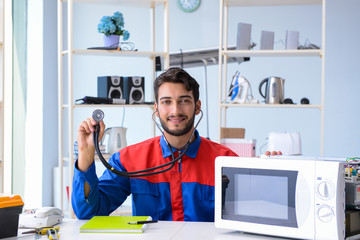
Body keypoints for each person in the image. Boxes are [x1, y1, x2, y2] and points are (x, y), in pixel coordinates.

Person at [72, 67, 238, 222]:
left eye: (184, 101)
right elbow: (89, 213)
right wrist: (85, 154)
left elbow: (249, 219)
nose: (175, 111)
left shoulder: (227, 161)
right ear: (156, 109)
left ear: (197, 107)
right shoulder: (129, 160)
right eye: (166, 102)